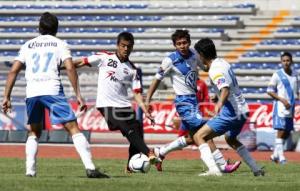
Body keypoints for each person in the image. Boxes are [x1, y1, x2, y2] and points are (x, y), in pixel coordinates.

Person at [1, 12, 108, 178]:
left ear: (39, 28)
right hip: (52, 90)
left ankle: (30, 172)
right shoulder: (60, 44)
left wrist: (6, 96)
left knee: (34, 132)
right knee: (73, 128)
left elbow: (13, 70)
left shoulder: (28, 45)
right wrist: (78, 95)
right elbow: (71, 67)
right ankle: (91, 168)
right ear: (56, 29)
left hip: (32, 92)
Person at [146, 30, 241, 173]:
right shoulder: (170, 60)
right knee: (205, 131)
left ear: (189, 43)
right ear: (174, 45)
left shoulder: (194, 55)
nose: (182, 46)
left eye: (184, 43)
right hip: (183, 103)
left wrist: (218, 86)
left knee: (192, 138)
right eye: (178, 44)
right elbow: (156, 79)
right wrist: (147, 100)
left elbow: (208, 68)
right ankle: (221, 165)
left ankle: (160, 152)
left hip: (194, 101)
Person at [72, 31, 156, 173]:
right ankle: (149, 153)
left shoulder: (133, 70)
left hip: (124, 105)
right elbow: (81, 62)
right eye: (123, 46)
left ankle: (130, 166)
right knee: (126, 128)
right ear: (117, 45)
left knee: (137, 131)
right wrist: (61, 66)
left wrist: (145, 109)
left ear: (132, 47)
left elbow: (136, 93)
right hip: (107, 105)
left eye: (129, 46)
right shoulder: (105, 57)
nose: (125, 49)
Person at [193, 38, 264, 176]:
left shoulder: (214, 70)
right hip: (243, 109)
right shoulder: (223, 62)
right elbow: (228, 87)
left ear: (202, 54)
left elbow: (225, 89)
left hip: (232, 112)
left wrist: (219, 103)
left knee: (199, 136)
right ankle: (257, 170)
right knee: (230, 139)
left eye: (197, 54)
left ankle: (214, 170)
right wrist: (218, 97)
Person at [267, 52, 298, 164]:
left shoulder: (295, 74)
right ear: (281, 62)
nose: (286, 62)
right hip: (280, 107)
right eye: (284, 60)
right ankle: (281, 157)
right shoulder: (277, 74)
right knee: (280, 131)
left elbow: (296, 92)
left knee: (286, 132)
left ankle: (274, 155)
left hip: (291, 108)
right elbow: (269, 91)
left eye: (288, 60)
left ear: (291, 61)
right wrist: (282, 99)